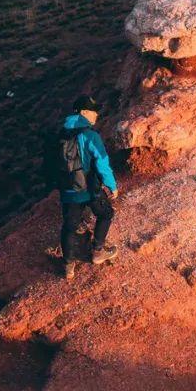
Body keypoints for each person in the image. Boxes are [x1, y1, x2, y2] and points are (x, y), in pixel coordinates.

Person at [54, 93, 118, 279]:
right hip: (89, 188)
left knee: (70, 225)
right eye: (93, 112)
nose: (96, 115)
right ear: (83, 112)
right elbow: (102, 164)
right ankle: (98, 252)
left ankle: (68, 266)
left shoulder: (61, 133)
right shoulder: (90, 136)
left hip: (68, 189)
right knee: (106, 214)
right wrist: (111, 185)